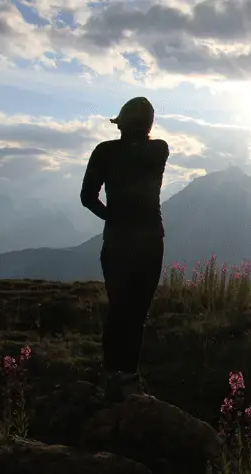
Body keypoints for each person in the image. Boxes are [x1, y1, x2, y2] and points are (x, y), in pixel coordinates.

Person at [80, 97, 169, 401]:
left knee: (119, 309)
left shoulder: (104, 152)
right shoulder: (159, 150)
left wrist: (113, 217)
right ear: (149, 125)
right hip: (150, 241)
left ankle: (112, 377)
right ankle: (129, 378)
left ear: (121, 124)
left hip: (117, 240)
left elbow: (87, 197)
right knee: (137, 313)